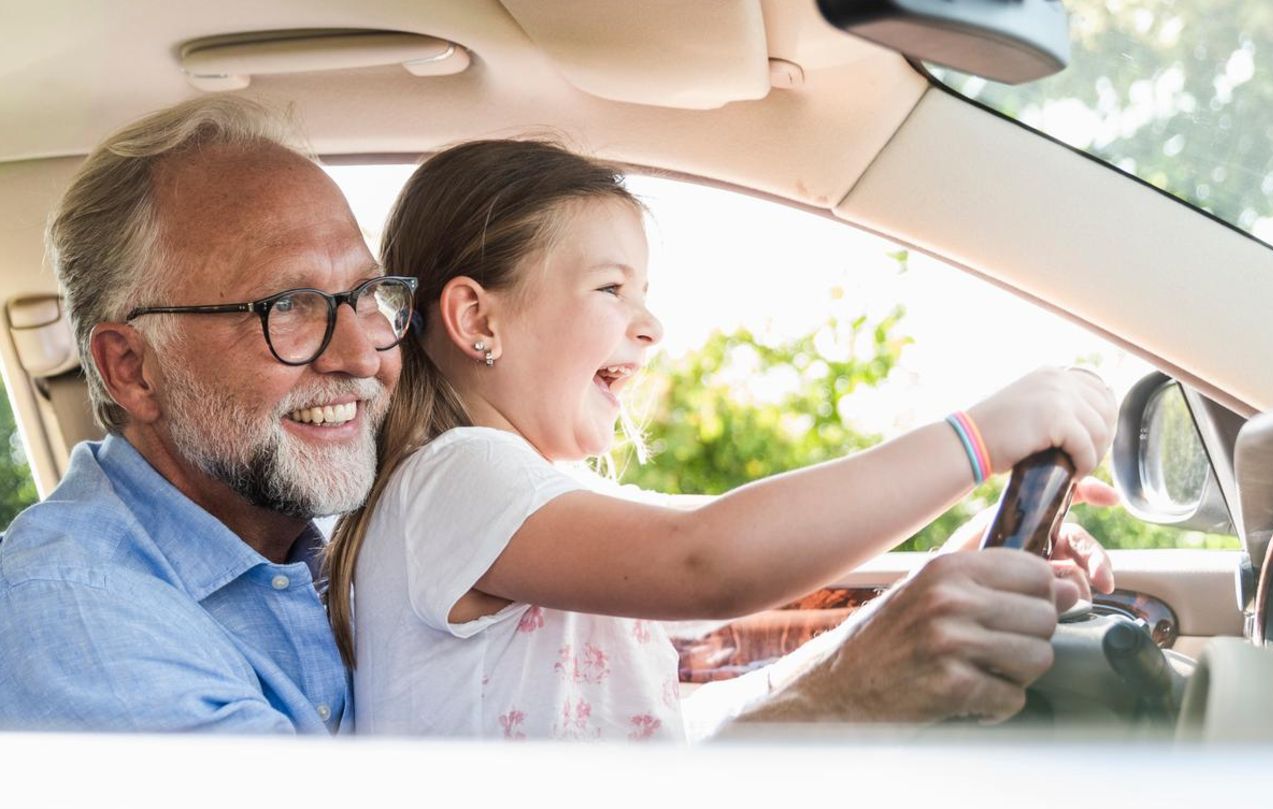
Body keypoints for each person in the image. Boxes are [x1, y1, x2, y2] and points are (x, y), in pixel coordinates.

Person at [329, 139, 1119, 740]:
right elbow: (712, 556)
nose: (651, 325)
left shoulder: (541, 504)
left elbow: (749, 575)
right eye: (612, 288)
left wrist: (958, 559)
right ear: (477, 320)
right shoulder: (456, 478)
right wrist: (979, 440)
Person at [0, 95, 406, 732]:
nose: (361, 356)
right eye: (288, 304)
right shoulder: (67, 609)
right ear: (131, 369)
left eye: (366, 295)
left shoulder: (340, 558)